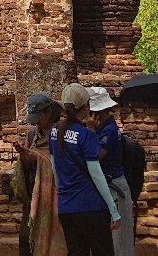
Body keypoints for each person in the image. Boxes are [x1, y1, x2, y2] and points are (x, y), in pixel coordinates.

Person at [50, 83, 120, 256]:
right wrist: (113, 209)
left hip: (66, 206)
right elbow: (96, 174)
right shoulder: (86, 134)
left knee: (76, 252)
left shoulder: (54, 131)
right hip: (90, 205)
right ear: (87, 107)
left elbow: (55, 169)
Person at [13, 93, 65, 256]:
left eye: (38, 117)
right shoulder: (32, 134)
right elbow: (29, 163)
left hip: (55, 195)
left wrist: (39, 157)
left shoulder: (60, 133)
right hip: (35, 192)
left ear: (48, 113)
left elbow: (63, 164)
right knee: (26, 237)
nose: (36, 123)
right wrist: (25, 156)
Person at [86, 88, 132, 256]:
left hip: (114, 186)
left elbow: (96, 156)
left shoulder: (109, 130)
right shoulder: (102, 128)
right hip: (103, 185)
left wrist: (89, 133)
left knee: (118, 240)